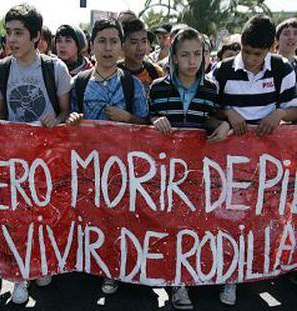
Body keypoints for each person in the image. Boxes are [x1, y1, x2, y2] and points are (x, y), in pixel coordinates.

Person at [0, 4, 71, 304]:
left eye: (19, 33)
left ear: (36, 37)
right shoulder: (0, 70)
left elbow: (65, 113)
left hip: (46, 160)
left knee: (44, 214)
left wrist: (56, 121)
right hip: (13, 159)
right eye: (8, 33)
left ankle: (42, 263)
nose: (12, 39)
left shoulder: (55, 68)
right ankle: (20, 276)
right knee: (15, 217)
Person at [149, 28, 230, 310]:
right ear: (173, 57)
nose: (192, 61)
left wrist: (223, 125)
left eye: (197, 54)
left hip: (199, 171)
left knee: (196, 225)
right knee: (170, 225)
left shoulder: (210, 88)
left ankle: (195, 275)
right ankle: (177, 283)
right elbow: (146, 122)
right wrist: (155, 120)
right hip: (165, 173)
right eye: (185, 55)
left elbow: (211, 117)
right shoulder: (158, 87)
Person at [67, 19, 148, 295]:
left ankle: (113, 268)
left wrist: (129, 118)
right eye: (102, 41)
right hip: (88, 167)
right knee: (91, 216)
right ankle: (90, 263)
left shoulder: (132, 85)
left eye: (114, 41)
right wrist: (74, 119)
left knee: (118, 218)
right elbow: (69, 125)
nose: (108, 47)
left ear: (121, 47)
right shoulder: (77, 84)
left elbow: (147, 126)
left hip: (122, 168)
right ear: (92, 45)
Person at [213, 14, 297, 140]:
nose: (249, 58)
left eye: (257, 54)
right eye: (245, 51)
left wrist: (280, 113)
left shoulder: (283, 69)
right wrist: (227, 113)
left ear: (272, 47)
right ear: (241, 42)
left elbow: (294, 109)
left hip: (268, 152)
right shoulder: (222, 70)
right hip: (228, 152)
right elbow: (207, 108)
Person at [119, 18, 164, 96]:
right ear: (123, 45)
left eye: (144, 41)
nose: (140, 48)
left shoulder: (156, 72)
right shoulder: (114, 74)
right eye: (134, 42)